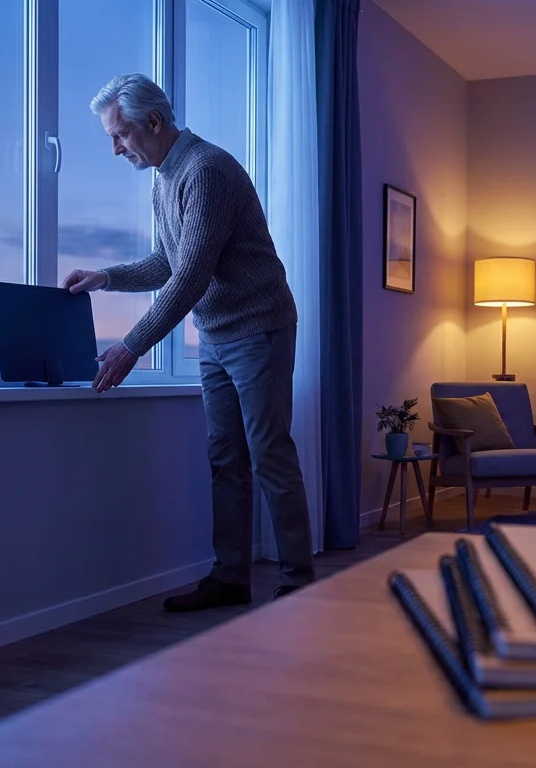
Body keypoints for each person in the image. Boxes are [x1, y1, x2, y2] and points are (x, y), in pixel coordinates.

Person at [63, 73, 314, 611]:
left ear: (153, 122)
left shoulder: (207, 171)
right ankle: (230, 579)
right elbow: (167, 262)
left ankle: (300, 580)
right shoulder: (164, 176)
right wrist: (104, 277)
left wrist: (131, 345)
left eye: (119, 134)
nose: (115, 148)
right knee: (225, 457)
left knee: (269, 451)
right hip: (217, 338)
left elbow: (192, 275)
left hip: (260, 328)